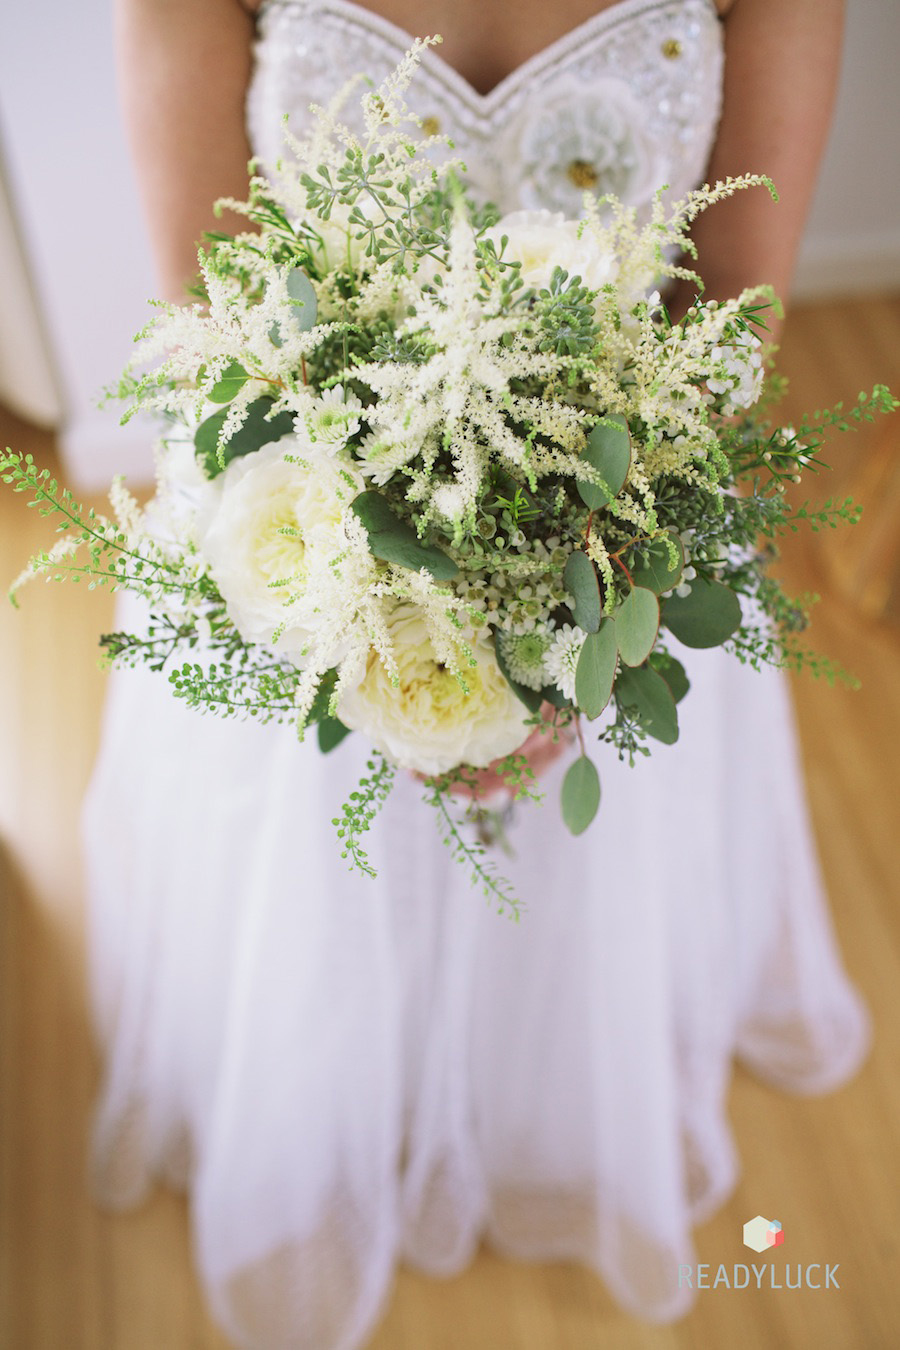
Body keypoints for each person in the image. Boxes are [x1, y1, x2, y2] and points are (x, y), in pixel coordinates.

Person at [85, 2, 867, 1347]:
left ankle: (548, 1094)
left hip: (623, 530)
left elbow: (730, 318)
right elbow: (213, 320)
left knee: (579, 891)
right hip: (309, 533)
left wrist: (575, 629)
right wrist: (363, 614)